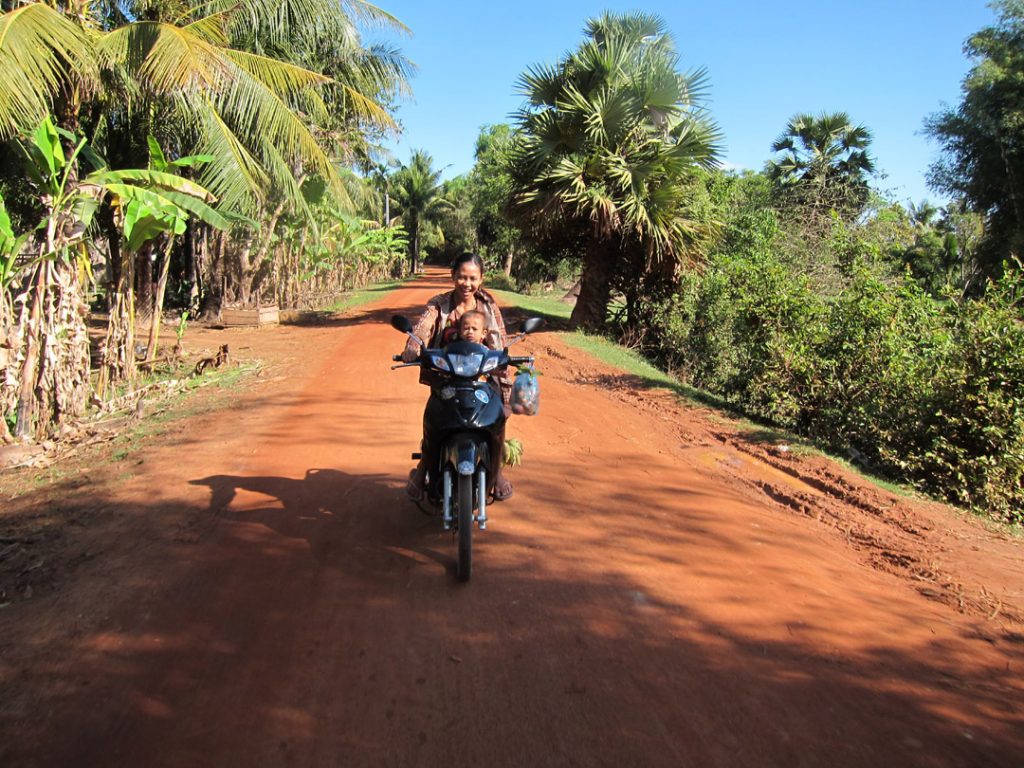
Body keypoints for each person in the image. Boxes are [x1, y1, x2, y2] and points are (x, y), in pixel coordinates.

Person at [401, 253, 515, 502]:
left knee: (495, 420)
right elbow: (424, 326)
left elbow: (500, 342)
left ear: (481, 279)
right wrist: (414, 342)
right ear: (453, 276)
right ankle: (422, 469)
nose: (467, 283)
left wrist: (507, 395)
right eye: (462, 277)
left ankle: (496, 472)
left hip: (482, 377)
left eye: (473, 278)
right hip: (446, 376)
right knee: (436, 419)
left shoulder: (487, 307)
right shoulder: (440, 304)